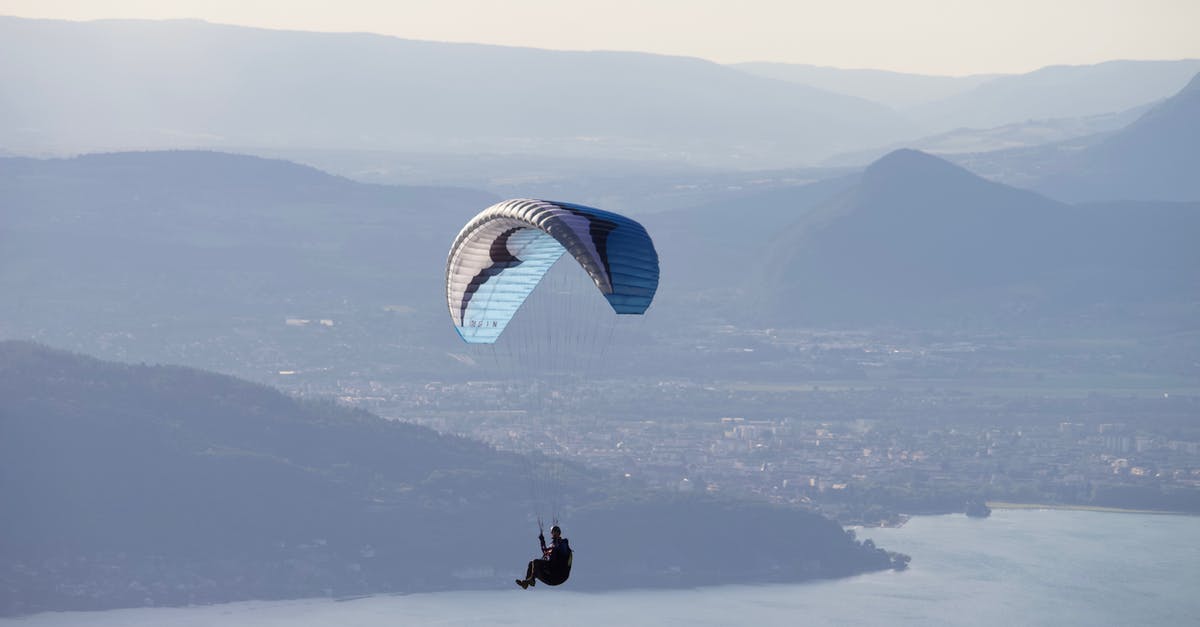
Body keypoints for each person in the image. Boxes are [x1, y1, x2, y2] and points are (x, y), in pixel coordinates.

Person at [516, 525, 572, 589]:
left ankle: (532, 579)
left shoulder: (564, 542)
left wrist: (557, 544)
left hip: (559, 574)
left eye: (556, 531)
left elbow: (564, 551)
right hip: (550, 577)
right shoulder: (553, 544)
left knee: (536, 562)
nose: (554, 533)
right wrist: (542, 540)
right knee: (531, 563)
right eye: (553, 532)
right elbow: (546, 552)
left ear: (559, 533)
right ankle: (526, 583)